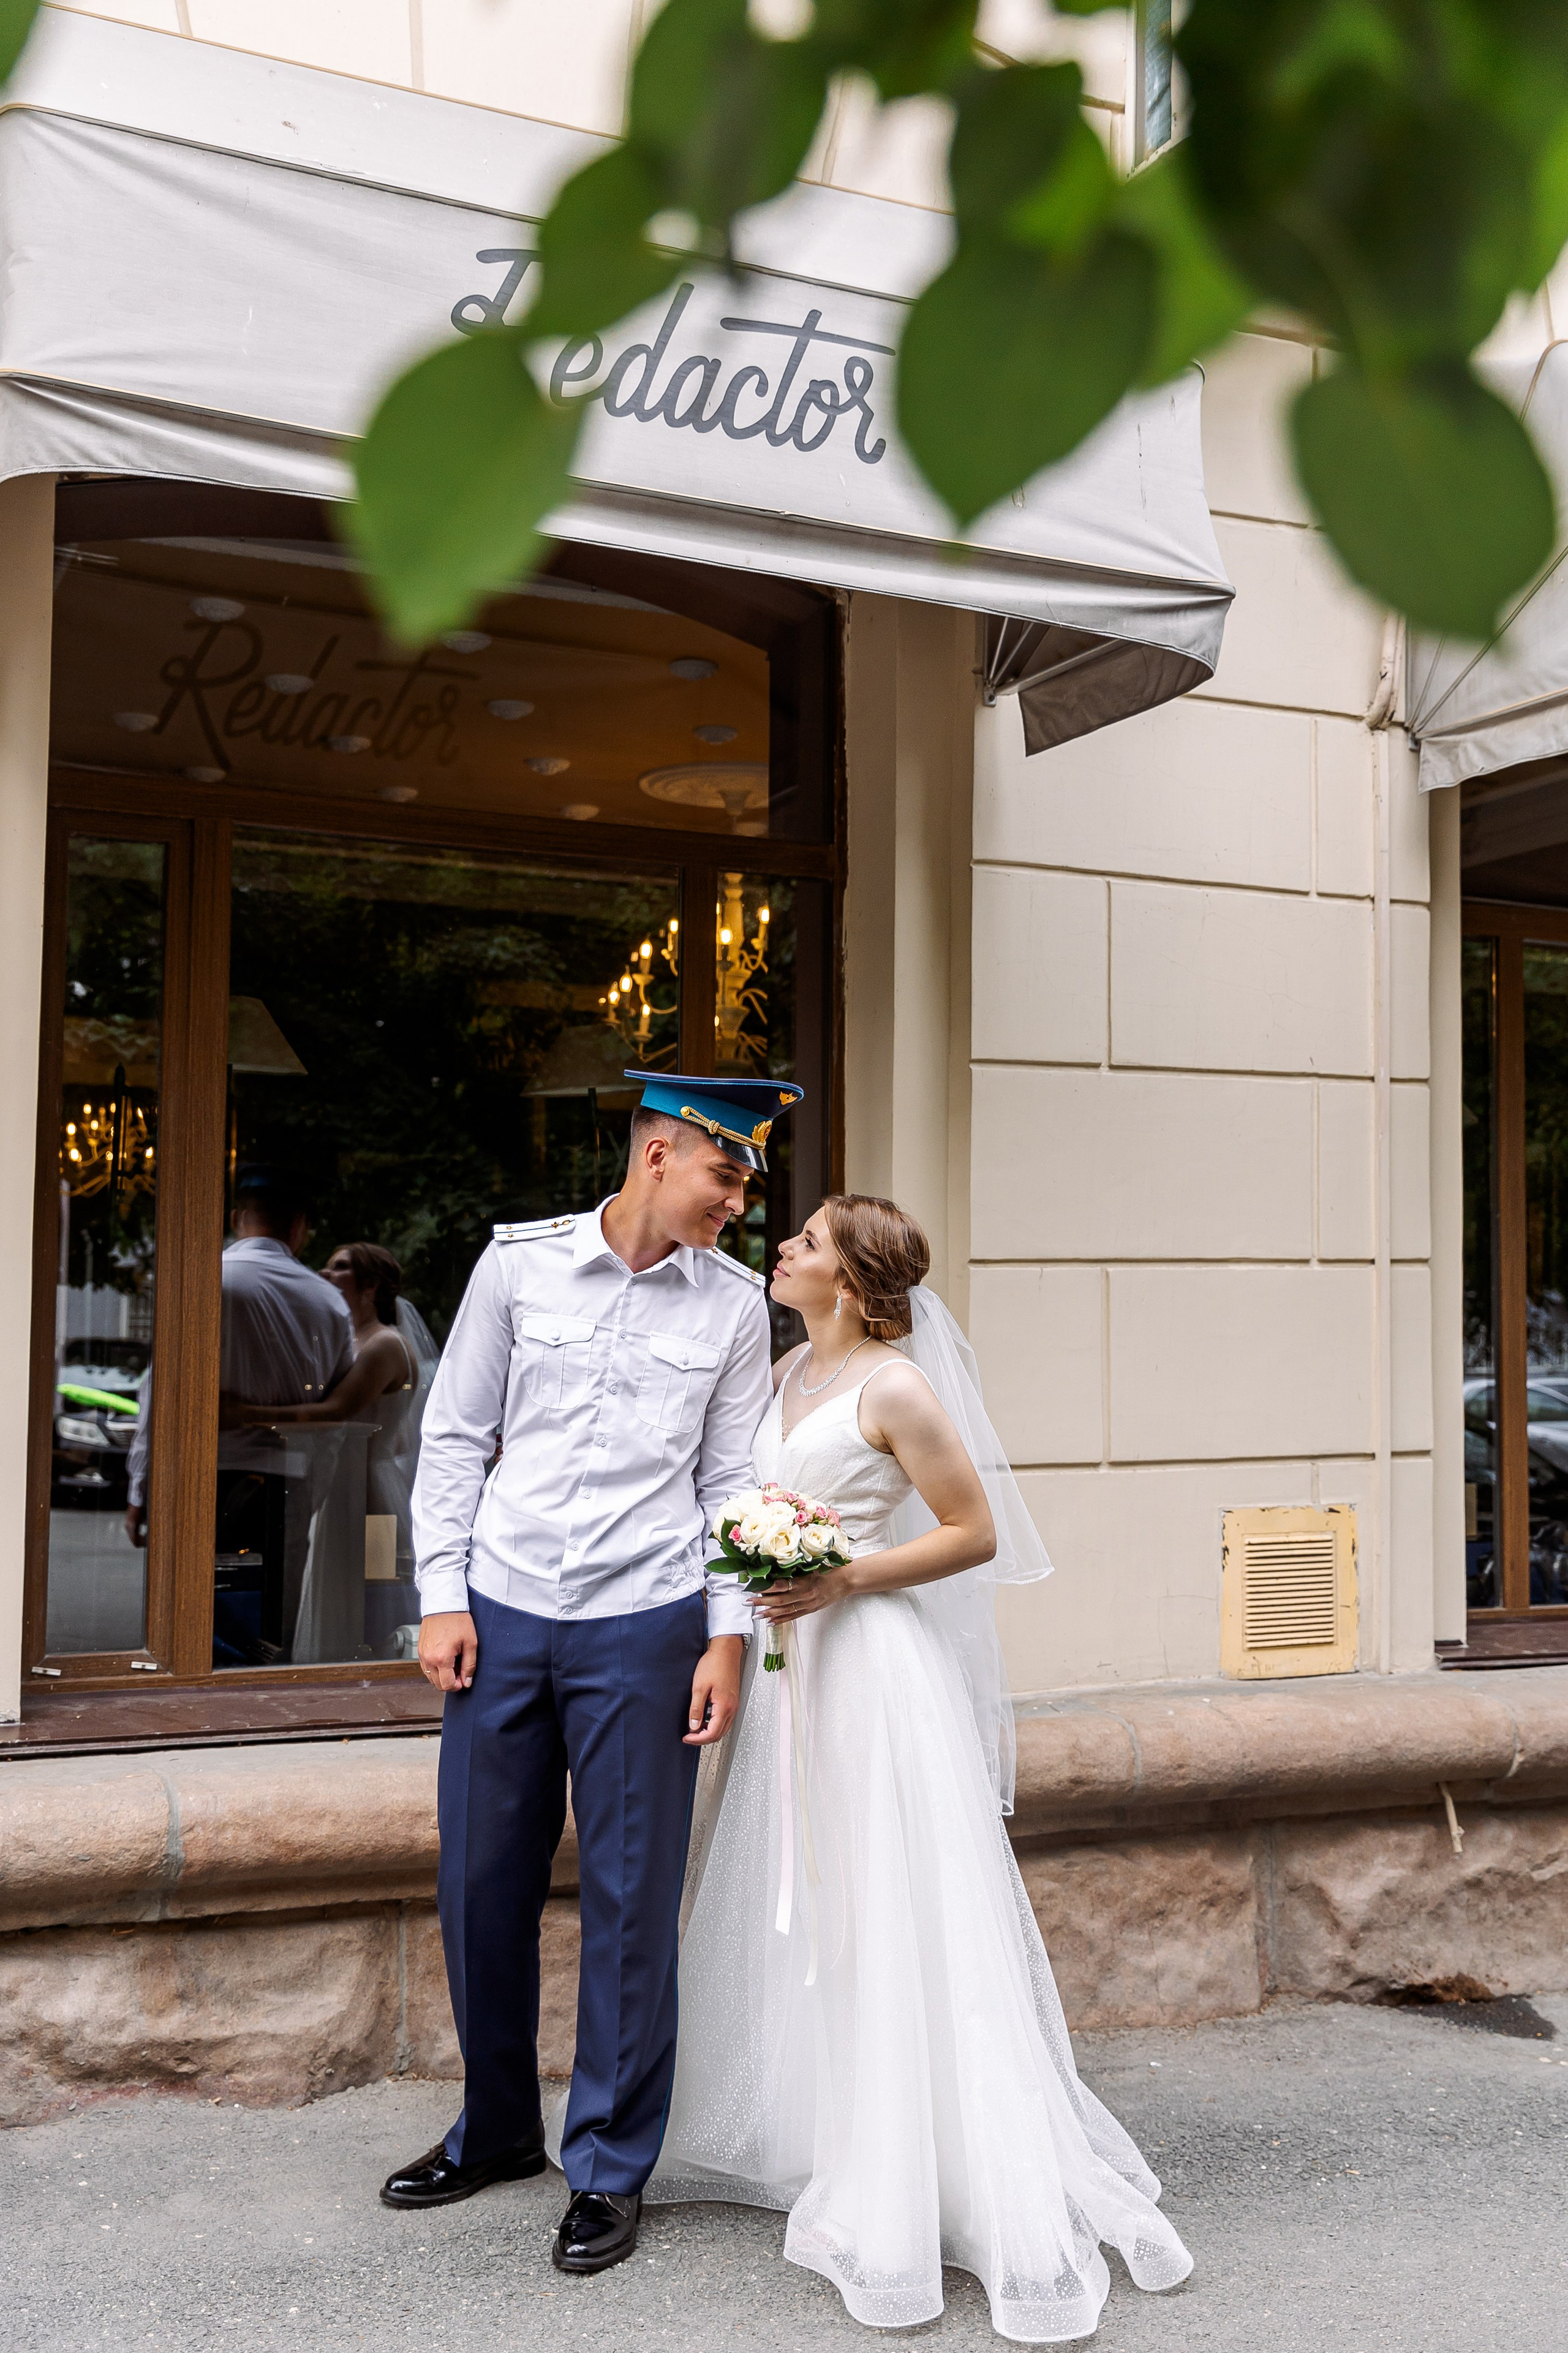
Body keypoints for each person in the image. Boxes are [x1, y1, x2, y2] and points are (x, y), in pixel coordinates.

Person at [644, 1193, 1194, 2343]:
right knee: (814, 1891)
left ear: (849, 1280)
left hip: (872, 1667)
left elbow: (974, 1529)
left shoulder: (893, 1384)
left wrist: (842, 1575)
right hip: (799, 1665)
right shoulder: (788, 1370)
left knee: (889, 1895)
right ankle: (826, 2130)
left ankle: (917, 2165)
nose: (783, 1247)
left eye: (806, 1240)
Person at [382, 1068, 805, 2281]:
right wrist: (442, 1594)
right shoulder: (516, 1266)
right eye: (727, 1175)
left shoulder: (729, 1307)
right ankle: (498, 2125)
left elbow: (729, 1479)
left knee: (628, 1902)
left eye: (746, 1183)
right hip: (505, 1612)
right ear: (660, 1152)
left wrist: (729, 1634)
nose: (739, 1201)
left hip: (647, 1621)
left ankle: (608, 2163)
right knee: (479, 1880)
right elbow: (455, 1433)